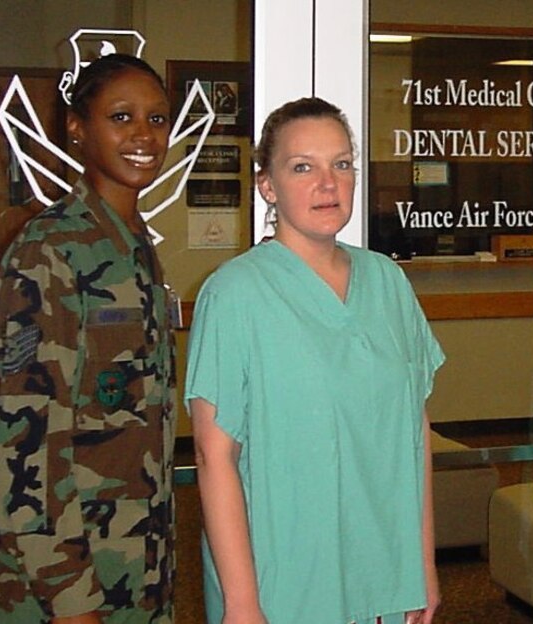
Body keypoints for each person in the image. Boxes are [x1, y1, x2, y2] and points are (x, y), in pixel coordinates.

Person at [186, 97, 443, 624]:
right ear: (267, 185)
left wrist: (423, 568)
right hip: (282, 582)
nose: (328, 183)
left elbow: (414, 439)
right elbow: (215, 459)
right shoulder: (234, 294)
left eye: (341, 164)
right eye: (303, 167)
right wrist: (242, 604)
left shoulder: (388, 282)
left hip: (384, 575)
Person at [0, 54, 177, 623]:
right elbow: (25, 438)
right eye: (121, 117)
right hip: (61, 590)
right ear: (77, 128)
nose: (144, 135)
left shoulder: (135, 248)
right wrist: (70, 598)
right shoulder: (49, 250)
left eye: (158, 119)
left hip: (135, 570)